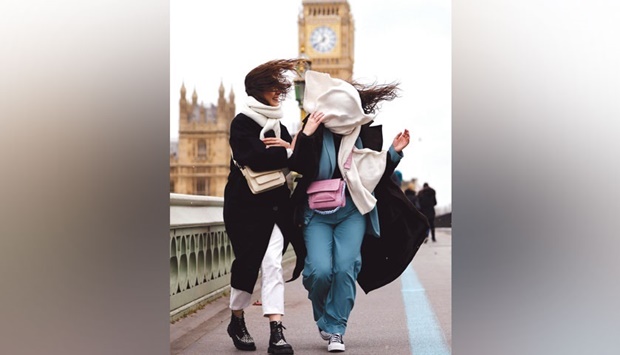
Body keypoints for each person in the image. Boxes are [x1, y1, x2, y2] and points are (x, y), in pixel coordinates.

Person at [288, 70, 429, 352]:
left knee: (345, 268)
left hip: (352, 211)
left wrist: (394, 152)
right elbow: (299, 166)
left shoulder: (362, 132)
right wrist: (307, 133)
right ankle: (324, 317)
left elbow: (374, 172)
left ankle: (336, 329)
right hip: (316, 213)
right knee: (318, 272)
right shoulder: (314, 128)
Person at [223, 59, 303, 354]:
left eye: (281, 88)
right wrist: (287, 153)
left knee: (272, 265)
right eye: (274, 87)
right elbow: (252, 157)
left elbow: (283, 159)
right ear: (258, 89)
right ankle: (237, 319)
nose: (279, 92)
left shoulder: (279, 123)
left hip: (275, 207)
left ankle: (276, 331)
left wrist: (286, 152)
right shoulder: (242, 122)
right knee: (247, 264)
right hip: (244, 207)